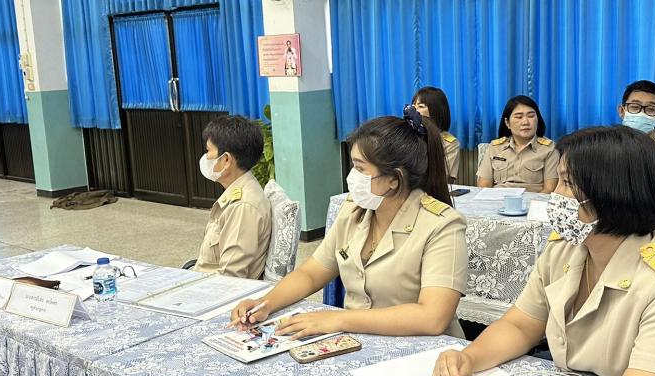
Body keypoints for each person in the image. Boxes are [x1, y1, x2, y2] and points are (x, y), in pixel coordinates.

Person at [433, 126, 655, 376]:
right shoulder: (567, 248)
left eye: (567, 183)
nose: (555, 195)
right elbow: (521, 325)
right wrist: (469, 359)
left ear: (613, 193)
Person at [231, 106, 468, 339]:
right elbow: (311, 273)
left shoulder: (441, 224)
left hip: (423, 348)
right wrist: (265, 303)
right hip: (358, 340)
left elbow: (432, 317)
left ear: (393, 179)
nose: (352, 177)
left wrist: (337, 319)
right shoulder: (355, 211)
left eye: (360, 168)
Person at [195, 115, 272, 279]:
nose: (205, 157)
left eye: (208, 150)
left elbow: (230, 277)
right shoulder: (238, 190)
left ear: (226, 159)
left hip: (213, 288)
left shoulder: (243, 207)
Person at [476, 95, 558, 192]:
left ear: (538, 120)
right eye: (519, 117)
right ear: (507, 123)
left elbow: (549, 189)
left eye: (531, 116)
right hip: (498, 199)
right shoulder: (495, 148)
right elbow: (484, 185)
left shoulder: (549, 149)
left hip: (533, 199)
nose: (525, 122)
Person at [412, 86, 459, 182]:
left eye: (421, 106)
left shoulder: (449, 143)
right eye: (413, 105)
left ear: (435, 110)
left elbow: (444, 179)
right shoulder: (406, 134)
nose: (414, 110)